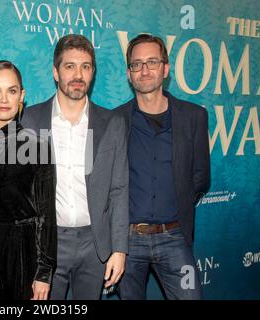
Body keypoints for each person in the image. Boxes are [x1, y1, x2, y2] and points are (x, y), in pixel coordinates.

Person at [21, 34, 129, 300]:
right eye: (69, 66)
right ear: (55, 72)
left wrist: (119, 249)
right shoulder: (30, 121)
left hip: (95, 245)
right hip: (47, 243)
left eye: (86, 66)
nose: (78, 74)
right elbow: (20, 193)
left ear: (93, 72)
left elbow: (119, 189)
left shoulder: (111, 123)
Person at [115, 34, 210, 300]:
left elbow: (200, 178)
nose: (144, 70)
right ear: (129, 73)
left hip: (175, 238)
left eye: (152, 62)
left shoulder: (194, 117)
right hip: (127, 243)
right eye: (137, 64)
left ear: (166, 69)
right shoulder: (115, 120)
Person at [0, 60, 57, 300]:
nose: (4, 100)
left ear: (21, 95)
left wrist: (43, 273)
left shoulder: (38, 146)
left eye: (11, 91)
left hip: (22, 252)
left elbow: (46, 216)